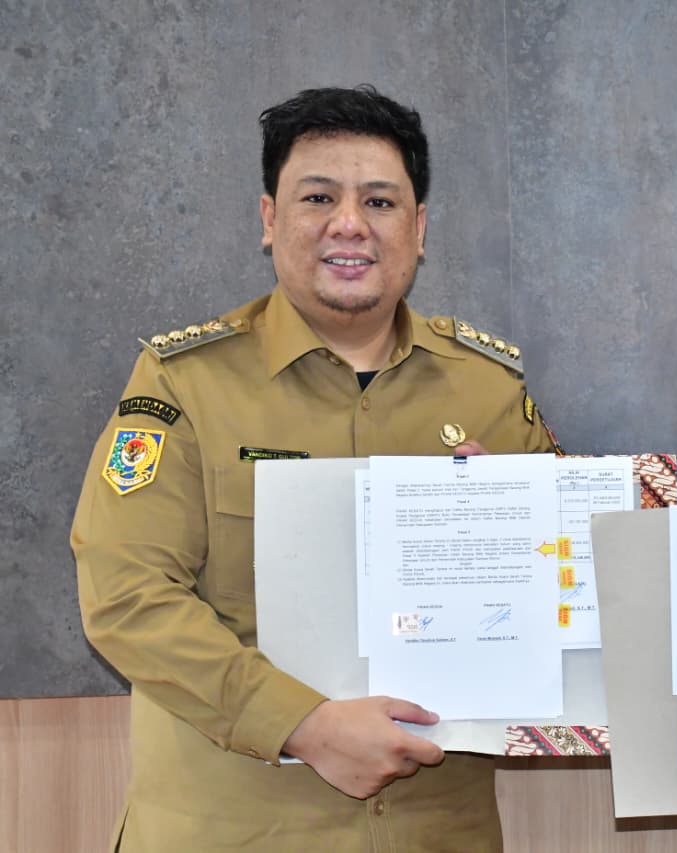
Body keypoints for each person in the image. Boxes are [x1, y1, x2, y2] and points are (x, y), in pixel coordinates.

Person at [71, 86, 559, 852]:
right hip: (235, 830)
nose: (350, 224)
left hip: (438, 831)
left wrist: (524, 535)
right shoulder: (183, 383)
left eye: (380, 201)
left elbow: (574, 591)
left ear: (419, 229)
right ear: (270, 219)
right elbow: (125, 595)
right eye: (319, 197)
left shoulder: (488, 389)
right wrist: (301, 724)